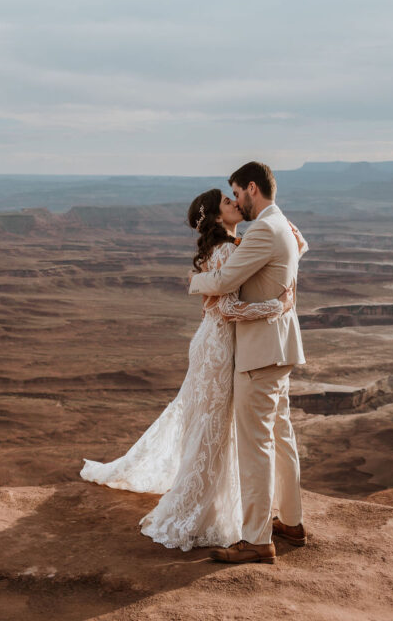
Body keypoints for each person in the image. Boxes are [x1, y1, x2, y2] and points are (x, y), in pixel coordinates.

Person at [79, 187, 299, 551]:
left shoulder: (232, 245)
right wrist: (277, 306)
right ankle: (197, 508)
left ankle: (208, 503)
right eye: (228, 203)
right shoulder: (228, 249)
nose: (235, 204)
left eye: (235, 198)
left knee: (211, 426)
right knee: (213, 426)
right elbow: (229, 310)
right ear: (215, 217)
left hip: (216, 344)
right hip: (219, 347)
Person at [188, 161, 308, 565]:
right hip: (280, 349)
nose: (236, 201)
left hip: (259, 353)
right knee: (280, 434)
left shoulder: (262, 231)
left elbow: (222, 285)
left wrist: (194, 282)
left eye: (237, 193)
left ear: (252, 188)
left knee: (256, 444)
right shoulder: (285, 226)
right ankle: (290, 522)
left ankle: (257, 539)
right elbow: (296, 251)